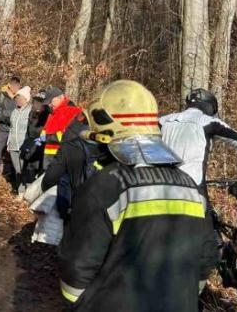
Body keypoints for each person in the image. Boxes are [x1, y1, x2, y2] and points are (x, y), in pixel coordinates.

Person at [58, 80, 217, 311]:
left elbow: (76, 268)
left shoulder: (104, 186)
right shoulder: (191, 188)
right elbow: (207, 258)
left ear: (105, 135)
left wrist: (80, 305)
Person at [160, 88, 237, 194]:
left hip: (161, 186)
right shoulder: (208, 121)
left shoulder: (163, 120)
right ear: (209, 107)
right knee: (207, 210)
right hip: (192, 188)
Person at [38, 86, 82, 170]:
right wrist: (41, 137)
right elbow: (45, 131)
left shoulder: (73, 111)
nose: (49, 105)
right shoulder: (52, 114)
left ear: (60, 97)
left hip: (62, 158)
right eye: (48, 103)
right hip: (48, 157)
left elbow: (71, 135)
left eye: (51, 101)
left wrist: (48, 137)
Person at [0, 76, 21, 183]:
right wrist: (6, 117)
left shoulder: (21, 97)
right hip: (3, 129)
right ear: (10, 85)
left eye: (18, 86)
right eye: (14, 86)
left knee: (15, 154)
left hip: (15, 131)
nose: (16, 88)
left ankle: (14, 181)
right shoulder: (1, 96)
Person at [6, 86, 32, 193]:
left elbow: (32, 130)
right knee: (17, 170)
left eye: (20, 98)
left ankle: (27, 192)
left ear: (26, 99)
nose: (18, 100)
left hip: (24, 145)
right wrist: (8, 143)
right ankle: (20, 191)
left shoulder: (30, 111)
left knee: (25, 170)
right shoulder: (14, 111)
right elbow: (11, 129)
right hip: (13, 145)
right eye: (17, 98)